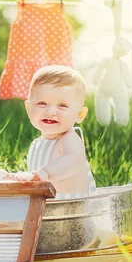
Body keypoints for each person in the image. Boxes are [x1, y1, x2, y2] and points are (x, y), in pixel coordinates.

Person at [25, 65, 97, 199]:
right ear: (29, 109)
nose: (51, 112)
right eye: (42, 103)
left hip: (74, 209)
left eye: (62, 106)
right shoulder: (37, 144)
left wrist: (45, 173)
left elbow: (72, 160)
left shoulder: (69, 138)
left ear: (80, 114)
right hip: (47, 211)